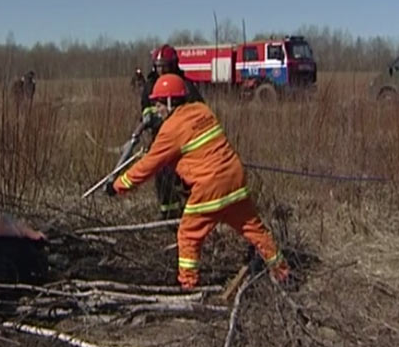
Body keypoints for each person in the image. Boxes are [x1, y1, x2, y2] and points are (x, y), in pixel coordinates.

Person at [108, 74, 290, 290]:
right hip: (235, 179)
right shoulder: (202, 111)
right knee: (255, 229)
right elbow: (195, 146)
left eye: (158, 104)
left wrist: (117, 186)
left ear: (169, 102)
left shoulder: (171, 130)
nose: (156, 109)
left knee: (188, 234)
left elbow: (147, 166)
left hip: (210, 187)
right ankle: (283, 274)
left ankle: (188, 286)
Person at [139, 44, 203, 220]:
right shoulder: (150, 86)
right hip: (161, 139)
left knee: (187, 177)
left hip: (185, 142)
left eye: (165, 66)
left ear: (174, 65)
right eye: (159, 66)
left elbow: (199, 110)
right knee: (162, 176)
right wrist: (149, 122)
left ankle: (193, 210)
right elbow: (146, 109)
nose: (162, 70)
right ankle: (169, 212)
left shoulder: (186, 86)